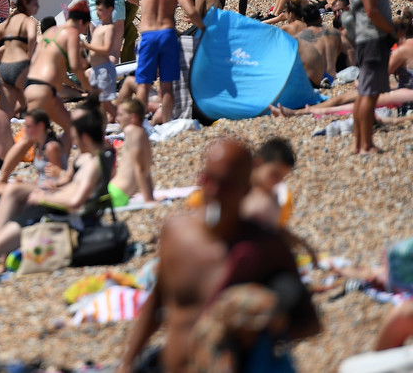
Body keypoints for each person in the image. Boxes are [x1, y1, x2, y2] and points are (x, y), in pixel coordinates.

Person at [116, 138, 320, 373]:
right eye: (208, 179)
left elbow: (310, 322)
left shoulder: (265, 248)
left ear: (245, 188)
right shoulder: (176, 234)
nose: (213, 191)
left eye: (225, 184)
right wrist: (127, 363)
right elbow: (157, 300)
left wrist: (258, 325)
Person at [0, 100, 108, 277]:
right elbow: (66, 180)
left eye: (75, 131)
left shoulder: (92, 164)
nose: (72, 135)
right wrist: (53, 184)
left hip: (58, 215)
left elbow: (76, 202)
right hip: (51, 204)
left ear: (85, 135)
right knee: (11, 195)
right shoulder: (83, 157)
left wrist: (43, 197)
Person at [349, 0, 407, 154]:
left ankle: (359, 144)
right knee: (369, 94)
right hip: (372, 38)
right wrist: (392, 30)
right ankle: (365, 145)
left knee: (365, 93)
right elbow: (371, 10)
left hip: (368, 37)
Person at [136, 0, 204, 125]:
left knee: (143, 85)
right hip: (166, 33)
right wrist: (203, 28)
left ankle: (137, 124)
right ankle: (166, 126)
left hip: (148, 34)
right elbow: (191, 12)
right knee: (167, 85)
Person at [23, 1, 92, 143]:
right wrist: (88, 88)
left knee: (71, 128)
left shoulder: (50, 32)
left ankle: (63, 164)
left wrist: (75, 85)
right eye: (85, 26)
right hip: (43, 89)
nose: (83, 30)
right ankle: (1, 166)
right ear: (80, 22)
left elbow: (59, 72)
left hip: (37, 86)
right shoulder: (71, 33)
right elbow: (76, 66)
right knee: (27, 140)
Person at [0, 0, 38, 116]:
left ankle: (4, 126)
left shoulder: (7, 23)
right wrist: (29, 56)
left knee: (8, 106)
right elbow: (31, 38)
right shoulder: (28, 21)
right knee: (27, 101)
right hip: (19, 65)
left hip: (5, 67)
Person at [107, 98, 153, 208]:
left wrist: (148, 200)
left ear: (133, 117)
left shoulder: (131, 131)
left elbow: (140, 168)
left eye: (120, 115)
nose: (117, 118)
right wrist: (150, 197)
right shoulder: (142, 133)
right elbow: (146, 171)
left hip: (116, 193)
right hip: (119, 193)